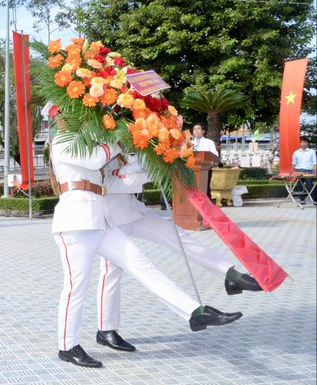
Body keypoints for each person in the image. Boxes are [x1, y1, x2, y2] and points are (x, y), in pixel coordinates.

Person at [49, 135, 241, 369]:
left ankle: (194, 312)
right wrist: (119, 137)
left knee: (141, 263)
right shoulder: (62, 141)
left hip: (100, 220)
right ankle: (68, 346)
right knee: (76, 287)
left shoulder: (91, 141)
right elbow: (94, 159)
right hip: (75, 223)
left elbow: (115, 175)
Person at [94, 154, 262, 352]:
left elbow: (135, 168)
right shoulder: (96, 143)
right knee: (112, 274)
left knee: (179, 237)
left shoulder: (123, 137)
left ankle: (231, 275)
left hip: (133, 210)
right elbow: (109, 182)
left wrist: (165, 159)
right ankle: (106, 329)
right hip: (110, 218)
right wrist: (155, 170)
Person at [292, 136, 317, 203]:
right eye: (302, 142)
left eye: (305, 142)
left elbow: (315, 162)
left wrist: (315, 172)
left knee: (309, 184)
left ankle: (315, 199)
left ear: (308, 143)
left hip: (308, 171)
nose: (304, 144)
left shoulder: (312, 152)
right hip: (298, 170)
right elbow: (294, 163)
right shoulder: (296, 152)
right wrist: (292, 171)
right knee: (299, 184)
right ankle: (302, 199)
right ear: (300, 143)